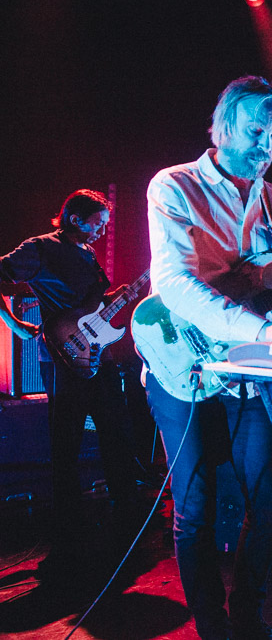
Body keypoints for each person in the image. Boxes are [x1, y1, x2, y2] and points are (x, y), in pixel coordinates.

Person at [145, 76, 272, 640]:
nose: (266, 145)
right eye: (256, 131)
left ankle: (247, 619)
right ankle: (212, 628)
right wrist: (262, 327)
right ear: (221, 126)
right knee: (196, 506)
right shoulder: (173, 186)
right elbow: (173, 282)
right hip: (186, 362)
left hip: (250, 367)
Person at [0, 189, 139, 571]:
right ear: (76, 218)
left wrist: (119, 296)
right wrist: (14, 323)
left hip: (98, 353)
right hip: (63, 355)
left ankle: (126, 519)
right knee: (67, 443)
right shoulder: (40, 247)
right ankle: (67, 534)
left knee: (116, 431)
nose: (102, 232)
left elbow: (91, 303)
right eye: (98, 224)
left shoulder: (88, 254)